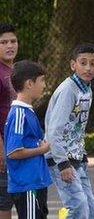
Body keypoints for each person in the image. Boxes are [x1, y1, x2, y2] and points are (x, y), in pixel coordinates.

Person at [44, 44, 94, 218]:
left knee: (93, 212)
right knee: (78, 207)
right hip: (60, 159)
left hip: (76, 157)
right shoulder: (69, 90)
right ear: (72, 65)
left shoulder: (86, 88)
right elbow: (54, 130)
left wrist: (81, 155)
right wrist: (62, 163)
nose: (88, 68)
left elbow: (77, 126)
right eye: (83, 63)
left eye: (93, 63)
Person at [4, 60, 51, 219]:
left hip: (36, 181)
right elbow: (13, 152)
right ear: (29, 83)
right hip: (27, 184)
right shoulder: (18, 114)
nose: (44, 85)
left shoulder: (27, 111)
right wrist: (42, 149)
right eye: (42, 80)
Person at [0, 24, 18, 219]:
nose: (9, 45)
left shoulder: (16, 70)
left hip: (17, 144)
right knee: (4, 199)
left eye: (13, 41)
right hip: (4, 145)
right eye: (3, 42)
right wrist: (1, 149)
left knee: (13, 197)